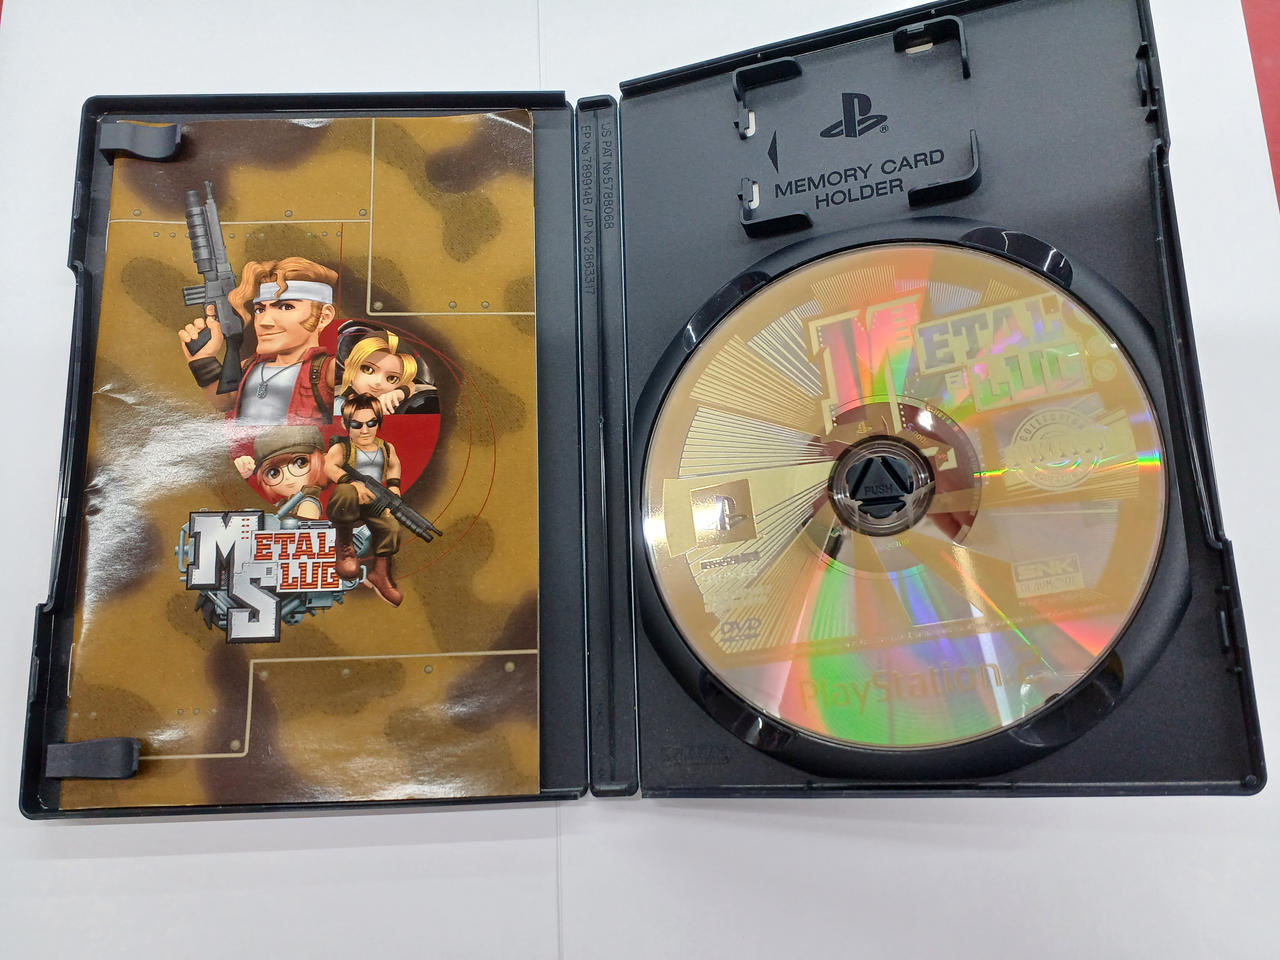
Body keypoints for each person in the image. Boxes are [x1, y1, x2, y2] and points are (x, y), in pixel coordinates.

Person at [179, 257, 338, 424]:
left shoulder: (329, 370)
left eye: (286, 307)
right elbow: (224, 404)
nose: (264, 322)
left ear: (324, 317)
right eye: (260, 310)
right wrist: (203, 361)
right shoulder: (249, 366)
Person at [324, 394, 403, 605]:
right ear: (346, 425)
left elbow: (394, 465)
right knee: (344, 491)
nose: (365, 430)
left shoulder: (385, 448)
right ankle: (345, 545)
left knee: (392, 526)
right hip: (349, 503)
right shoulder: (343, 448)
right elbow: (329, 466)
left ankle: (380, 573)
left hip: (374, 502)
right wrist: (352, 483)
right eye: (357, 425)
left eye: (371, 423)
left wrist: (394, 486)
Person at [334, 325, 438, 416]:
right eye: (368, 369)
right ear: (348, 365)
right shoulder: (339, 405)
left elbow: (411, 384)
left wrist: (401, 392)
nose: (378, 382)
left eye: (392, 378)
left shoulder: (393, 401)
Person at [234, 426, 328, 519]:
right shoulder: (283, 504)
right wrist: (241, 478)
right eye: (274, 473)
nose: (287, 477)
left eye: (301, 463)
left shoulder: (307, 504)